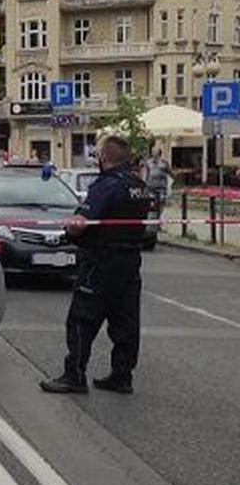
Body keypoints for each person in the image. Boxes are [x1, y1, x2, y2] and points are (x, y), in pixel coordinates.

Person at [41, 135, 153, 395]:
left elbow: (81, 223)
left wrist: (70, 227)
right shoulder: (139, 185)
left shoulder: (107, 185)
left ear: (103, 157)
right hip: (130, 264)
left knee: (82, 318)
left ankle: (74, 375)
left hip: (101, 262)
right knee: (125, 322)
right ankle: (122, 376)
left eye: (96, 154)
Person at [142, 147, 171, 213]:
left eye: (155, 151)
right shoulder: (148, 162)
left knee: (161, 202)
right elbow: (146, 173)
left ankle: (159, 215)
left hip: (161, 187)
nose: (153, 153)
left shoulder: (164, 162)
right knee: (152, 204)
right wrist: (144, 183)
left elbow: (169, 172)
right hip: (151, 187)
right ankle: (154, 216)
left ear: (159, 153)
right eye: (153, 151)